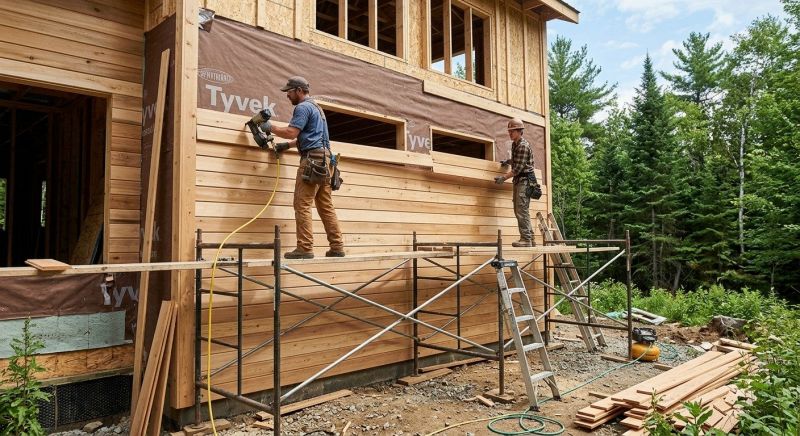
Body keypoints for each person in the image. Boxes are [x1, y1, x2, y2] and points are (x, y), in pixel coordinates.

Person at [260, 76, 345, 259]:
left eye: (289, 92)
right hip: (326, 162)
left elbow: (292, 131)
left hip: (312, 162)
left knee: (302, 204)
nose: (287, 95)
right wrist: (288, 146)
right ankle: (337, 246)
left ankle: (305, 248)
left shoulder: (302, 107)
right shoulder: (317, 109)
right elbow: (311, 137)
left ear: (299, 90)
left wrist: (269, 126)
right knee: (326, 206)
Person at [494, 118, 536, 247]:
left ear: (519, 131)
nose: (510, 133)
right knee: (520, 209)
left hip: (525, 181)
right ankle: (531, 238)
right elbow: (516, 161)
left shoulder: (523, 145)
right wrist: (508, 161)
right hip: (519, 181)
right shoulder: (515, 144)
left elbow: (518, 169)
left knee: (521, 209)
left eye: (512, 131)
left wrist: (503, 178)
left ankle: (526, 239)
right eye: (509, 131)